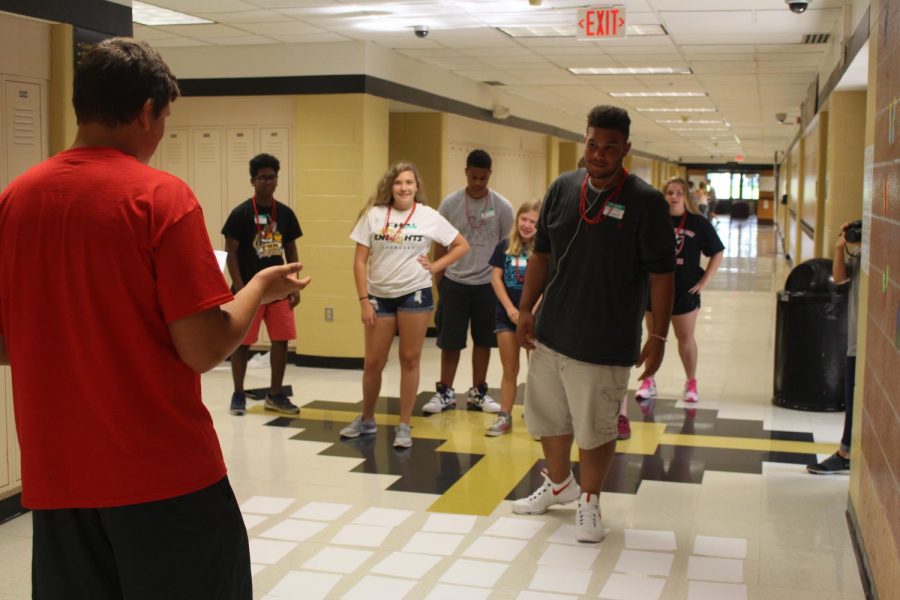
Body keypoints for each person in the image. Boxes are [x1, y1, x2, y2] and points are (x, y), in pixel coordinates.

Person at [0, 38, 309, 600]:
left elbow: (6, 339)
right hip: (161, 478)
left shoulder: (16, 200)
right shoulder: (159, 198)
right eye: (164, 117)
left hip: (58, 481)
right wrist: (260, 288)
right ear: (147, 111)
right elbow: (203, 346)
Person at [512, 106, 675, 543]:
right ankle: (560, 483)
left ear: (625, 149)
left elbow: (662, 274)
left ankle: (589, 500)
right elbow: (542, 252)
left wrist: (659, 335)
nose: (599, 154)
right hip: (552, 331)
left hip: (606, 337)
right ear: (584, 141)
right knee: (549, 417)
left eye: (609, 147)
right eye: (592, 144)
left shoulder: (646, 201)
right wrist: (527, 308)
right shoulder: (563, 187)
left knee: (596, 425)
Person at [341, 162, 469, 448]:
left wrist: (436, 265)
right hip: (379, 296)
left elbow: (461, 245)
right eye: (399, 182)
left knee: (410, 359)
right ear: (391, 186)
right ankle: (367, 419)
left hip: (415, 294)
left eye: (409, 183)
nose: (404, 188)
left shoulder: (428, 216)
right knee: (373, 362)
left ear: (416, 187)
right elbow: (360, 260)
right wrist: (363, 300)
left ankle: (403, 424)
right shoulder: (373, 215)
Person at [424, 150, 514, 415]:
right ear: (466, 172)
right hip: (454, 282)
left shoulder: (502, 206)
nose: (477, 183)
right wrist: (440, 282)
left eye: (483, 179)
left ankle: (478, 392)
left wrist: (503, 287)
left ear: (489, 176)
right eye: (473, 177)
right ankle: (445, 393)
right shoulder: (450, 204)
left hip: (487, 284)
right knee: (450, 341)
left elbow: (507, 248)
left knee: (484, 340)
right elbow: (440, 246)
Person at [223, 153, 304, 417]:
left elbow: (291, 249)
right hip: (250, 290)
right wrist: (240, 287)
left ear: (277, 180)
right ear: (253, 180)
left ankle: (276, 394)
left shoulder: (285, 214)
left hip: (278, 290)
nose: (268, 182)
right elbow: (231, 252)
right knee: (242, 342)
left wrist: (293, 286)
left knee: (281, 340)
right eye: (262, 178)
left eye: (272, 177)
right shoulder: (241, 213)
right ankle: (238, 393)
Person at [635, 178, 724, 405]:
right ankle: (649, 380)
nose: (673, 197)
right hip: (654, 289)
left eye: (678, 193)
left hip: (685, 289)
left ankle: (691, 382)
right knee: (655, 335)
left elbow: (717, 251)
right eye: (669, 193)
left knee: (685, 338)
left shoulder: (698, 223)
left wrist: (704, 281)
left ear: (686, 196)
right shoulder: (654, 221)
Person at [485, 200, 541, 437]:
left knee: (537, 370)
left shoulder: (543, 251)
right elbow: (496, 279)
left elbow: (546, 285)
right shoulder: (504, 246)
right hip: (506, 316)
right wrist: (510, 309)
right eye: (524, 219)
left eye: (533, 222)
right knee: (510, 368)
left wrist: (529, 312)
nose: (527, 225)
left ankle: (538, 418)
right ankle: (504, 416)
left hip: (533, 318)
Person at [807, 221, 859, 474]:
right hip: (856, 340)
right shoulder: (859, 249)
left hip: (867, 340)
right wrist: (841, 248)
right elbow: (840, 278)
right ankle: (846, 452)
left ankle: (848, 452)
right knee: (851, 397)